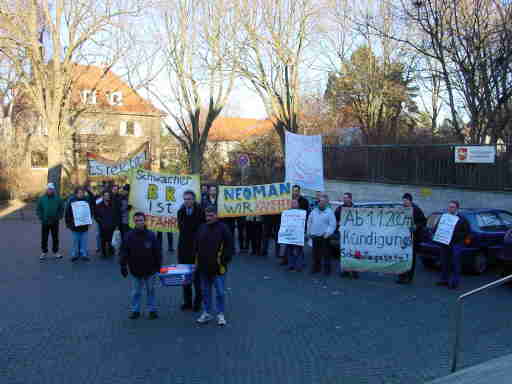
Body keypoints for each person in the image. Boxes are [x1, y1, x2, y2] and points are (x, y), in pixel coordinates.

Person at [195, 206, 234, 326]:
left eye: (211, 215)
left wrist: (223, 262)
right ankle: (207, 312)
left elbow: (229, 246)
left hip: (218, 267)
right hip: (203, 267)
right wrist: (197, 262)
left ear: (216, 215)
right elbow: (196, 246)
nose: (209, 218)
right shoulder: (201, 227)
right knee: (205, 292)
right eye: (207, 216)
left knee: (220, 292)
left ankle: (220, 314)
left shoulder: (223, 228)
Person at [120, 212, 162, 319]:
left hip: (150, 269)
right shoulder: (129, 236)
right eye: (137, 220)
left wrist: (158, 266)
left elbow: (157, 251)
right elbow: (124, 251)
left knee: (151, 291)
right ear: (134, 222)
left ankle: (152, 310)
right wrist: (123, 265)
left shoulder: (151, 235)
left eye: (141, 220)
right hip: (135, 269)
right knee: (136, 292)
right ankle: (135, 310)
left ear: (145, 221)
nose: (139, 222)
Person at [177, 190, 204, 312]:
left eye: (189, 199)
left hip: (197, 248)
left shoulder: (200, 211)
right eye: (185, 199)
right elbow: (182, 228)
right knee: (185, 277)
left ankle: (197, 302)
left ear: (194, 199)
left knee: (197, 278)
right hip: (183, 248)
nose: (187, 201)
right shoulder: (180, 212)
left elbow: (201, 228)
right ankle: (187, 302)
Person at [435, 200, 469, 290]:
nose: (450, 208)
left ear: (457, 208)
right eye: (449, 206)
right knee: (444, 261)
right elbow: (437, 227)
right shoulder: (444, 217)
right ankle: (444, 280)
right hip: (445, 243)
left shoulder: (462, 219)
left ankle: (454, 282)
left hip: (456, 244)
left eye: (452, 207)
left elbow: (466, 232)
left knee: (455, 263)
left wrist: (455, 235)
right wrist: (437, 235)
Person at [396, 193, 427, 284]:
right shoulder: (402, 209)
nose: (404, 202)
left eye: (406, 201)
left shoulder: (416, 210)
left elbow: (423, 221)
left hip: (413, 238)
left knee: (411, 258)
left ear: (410, 201)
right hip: (403, 237)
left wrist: (416, 226)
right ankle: (402, 276)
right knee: (402, 257)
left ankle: (409, 277)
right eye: (403, 201)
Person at [307, 193, 336, 275]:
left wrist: (327, 233)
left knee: (326, 254)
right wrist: (308, 232)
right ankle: (316, 268)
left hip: (324, 237)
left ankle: (327, 270)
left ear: (326, 203)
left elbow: (332, 225)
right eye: (320, 201)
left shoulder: (329, 212)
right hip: (315, 236)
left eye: (324, 201)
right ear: (318, 202)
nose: (322, 203)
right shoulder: (314, 211)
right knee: (315, 254)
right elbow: (309, 222)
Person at [37, 183, 64, 261]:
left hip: (55, 221)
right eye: (48, 189)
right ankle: (44, 252)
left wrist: (59, 217)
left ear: (53, 190)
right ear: (46, 190)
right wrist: (41, 217)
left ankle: (56, 252)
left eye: (51, 189)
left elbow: (62, 208)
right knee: (44, 237)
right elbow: (38, 209)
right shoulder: (42, 198)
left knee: (55, 237)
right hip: (45, 221)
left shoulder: (58, 198)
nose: (50, 190)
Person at [65, 187, 92, 262]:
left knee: (84, 241)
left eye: (82, 193)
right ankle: (74, 254)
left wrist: (89, 221)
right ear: (76, 193)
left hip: (84, 225)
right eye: (79, 193)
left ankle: (84, 254)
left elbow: (89, 212)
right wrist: (68, 223)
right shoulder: (71, 201)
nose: (81, 194)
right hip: (75, 225)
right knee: (75, 241)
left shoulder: (86, 201)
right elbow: (67, 213)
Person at [335, 192, 359, 279]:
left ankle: (355, 271)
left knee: (355, 253)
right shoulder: (339, 209)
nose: (344, 199)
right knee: (344, 253)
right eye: (343, 198)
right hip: (344, 235)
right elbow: (335, 220)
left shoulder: (356, 209)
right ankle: (345, 270)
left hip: (354, 235)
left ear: (350, 199)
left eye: (346, 198)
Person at [95, 191, 120, 258]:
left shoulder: (113, 205)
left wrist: (116, 224)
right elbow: (96, 216)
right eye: (105, 195)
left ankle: (110, 251)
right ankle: (103, 253)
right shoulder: (99, 205)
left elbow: (116, 215)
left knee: (110, 239)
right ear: (103, 196)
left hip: (111, 226)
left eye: (108, 195)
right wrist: (100, 222)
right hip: (103, 226)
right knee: (103, 240)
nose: (107, 197)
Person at [283, 199, 306, 272]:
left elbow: (304, 223)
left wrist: (304, 232)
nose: (293, 204)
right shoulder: (287, 212)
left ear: (298, 204)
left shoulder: (302, 212)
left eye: (295, 203)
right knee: (289, 250)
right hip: (290, 234)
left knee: (299, 250)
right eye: (292, 203)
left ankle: (299, 266)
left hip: (298, 235)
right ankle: (291, 265)